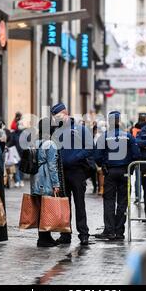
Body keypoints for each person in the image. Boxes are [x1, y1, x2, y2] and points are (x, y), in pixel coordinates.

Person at [51, 103, 93, 246]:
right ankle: (65, 234)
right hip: (62, 173)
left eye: (57, 116)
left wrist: (75, 157)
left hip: (77, 172)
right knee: (64, 205)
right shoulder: (56, 131)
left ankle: (83, 234)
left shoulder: (81, 129)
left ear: (65, 113)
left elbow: (89, 148)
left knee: (79, 204)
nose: (56, 119)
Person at [95, 111, 140, 240]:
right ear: (119, 121)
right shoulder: (128, 136)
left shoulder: (104, 137)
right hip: (125, 171)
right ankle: (119, 231)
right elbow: (136, 155)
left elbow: (97, 156)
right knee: (123, 202)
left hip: (109, 172)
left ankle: (109, 230)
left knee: (109, 201)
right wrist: (130, 167)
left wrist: (103, 164)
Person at [30, 117, 64, 247]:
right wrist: (56, 184)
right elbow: (52, 166)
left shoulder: (35, 142)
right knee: (47, 209)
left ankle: (44, 237)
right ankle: (44, 238)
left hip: (35, 178)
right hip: (46, 178)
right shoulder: (50, 144)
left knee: (40, 208)